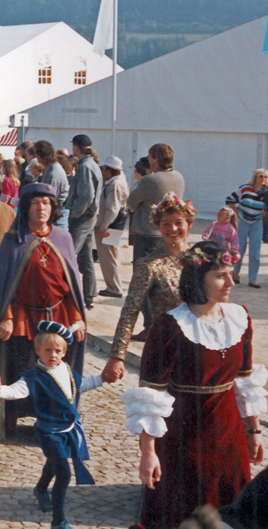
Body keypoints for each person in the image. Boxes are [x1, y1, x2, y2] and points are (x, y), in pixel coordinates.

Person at [122, 240, 266, 529]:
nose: (230, 282)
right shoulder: (170, 326)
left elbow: (245, 381)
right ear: (199, 279)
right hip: (183, 441)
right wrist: (148, 453)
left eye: (231, 273)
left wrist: (253, 430)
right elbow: (151, 398)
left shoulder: (240, 318)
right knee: (182, 513)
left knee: (230, 513)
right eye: (220, 275)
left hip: (229, 439)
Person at [0, 182, 86, 439]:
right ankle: (9, 420)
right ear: (26, 208)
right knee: (20, 369)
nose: (41, 208)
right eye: (35, 203)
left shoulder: (62, 238)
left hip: (57, 315)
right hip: (22, 317)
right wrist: (6, 316)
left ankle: (52, 422)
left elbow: (72, 283)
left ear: (52, 207)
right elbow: (3, 284)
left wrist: (77, 316)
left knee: (55, 371)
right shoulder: (12, 241)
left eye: (46, 203)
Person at [0, 321, 102, 529]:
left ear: (64, 352)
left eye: (57, 350)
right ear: (37, 351)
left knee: (54, 462)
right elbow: (16, 391)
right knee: (64, 473)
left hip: (68, 429)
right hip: (48, 432)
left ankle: (41, 489)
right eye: (47, 350)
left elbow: (82, 385)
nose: (52, 354)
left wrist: (102, 378)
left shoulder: (67, 371)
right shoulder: (33, 377)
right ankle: (58, 521)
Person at [102, 193, 196, 383]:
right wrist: (117, 356)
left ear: (189, 224)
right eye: (166, 223)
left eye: (179, 222)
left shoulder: (203, 259)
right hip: (165, 347)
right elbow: (130, 310)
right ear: (158, 227)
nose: (173, 229)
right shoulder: (149, 265)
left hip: (199, 346)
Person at [126, 144, 185, 339]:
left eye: (151, 157)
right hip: (167, 235)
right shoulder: (178, 177)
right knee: (163, 282)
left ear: (156, 159)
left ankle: (150, 326)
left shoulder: (149, 180)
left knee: (143, 282)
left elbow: (131, 202)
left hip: (147, 233)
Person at [66, 135, 102, 310]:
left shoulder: (85, 166)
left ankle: (69, 294)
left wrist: (75, 212)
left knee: (70, 254)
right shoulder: (91, 164)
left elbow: (86, 195)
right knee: (86, 258)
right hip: (89, 217)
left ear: (77, 147)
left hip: (82, 217)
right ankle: (89, 295)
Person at [226, 168, 268, 288]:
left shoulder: (267, 192)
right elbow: (230, 200)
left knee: (255, 251)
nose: (263, 179)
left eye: (265, 177)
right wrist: (237, 214)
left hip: (257, 222)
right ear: (255, 177)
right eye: (260, 176)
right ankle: (235, 273)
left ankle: (253, 279)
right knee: (239, 249)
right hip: (243, 221)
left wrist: (264, 214)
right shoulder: (245, 188)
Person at [94, 155, 129, 299]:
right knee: (111, 255)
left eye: (104, 169)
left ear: (109, 170)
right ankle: (114, 285)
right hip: (115, 224)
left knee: (108, 256)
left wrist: (104, 226)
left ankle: (114, 287)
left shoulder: (114, 185)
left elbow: (112, 208)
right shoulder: (118, 181)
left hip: (110, 225)